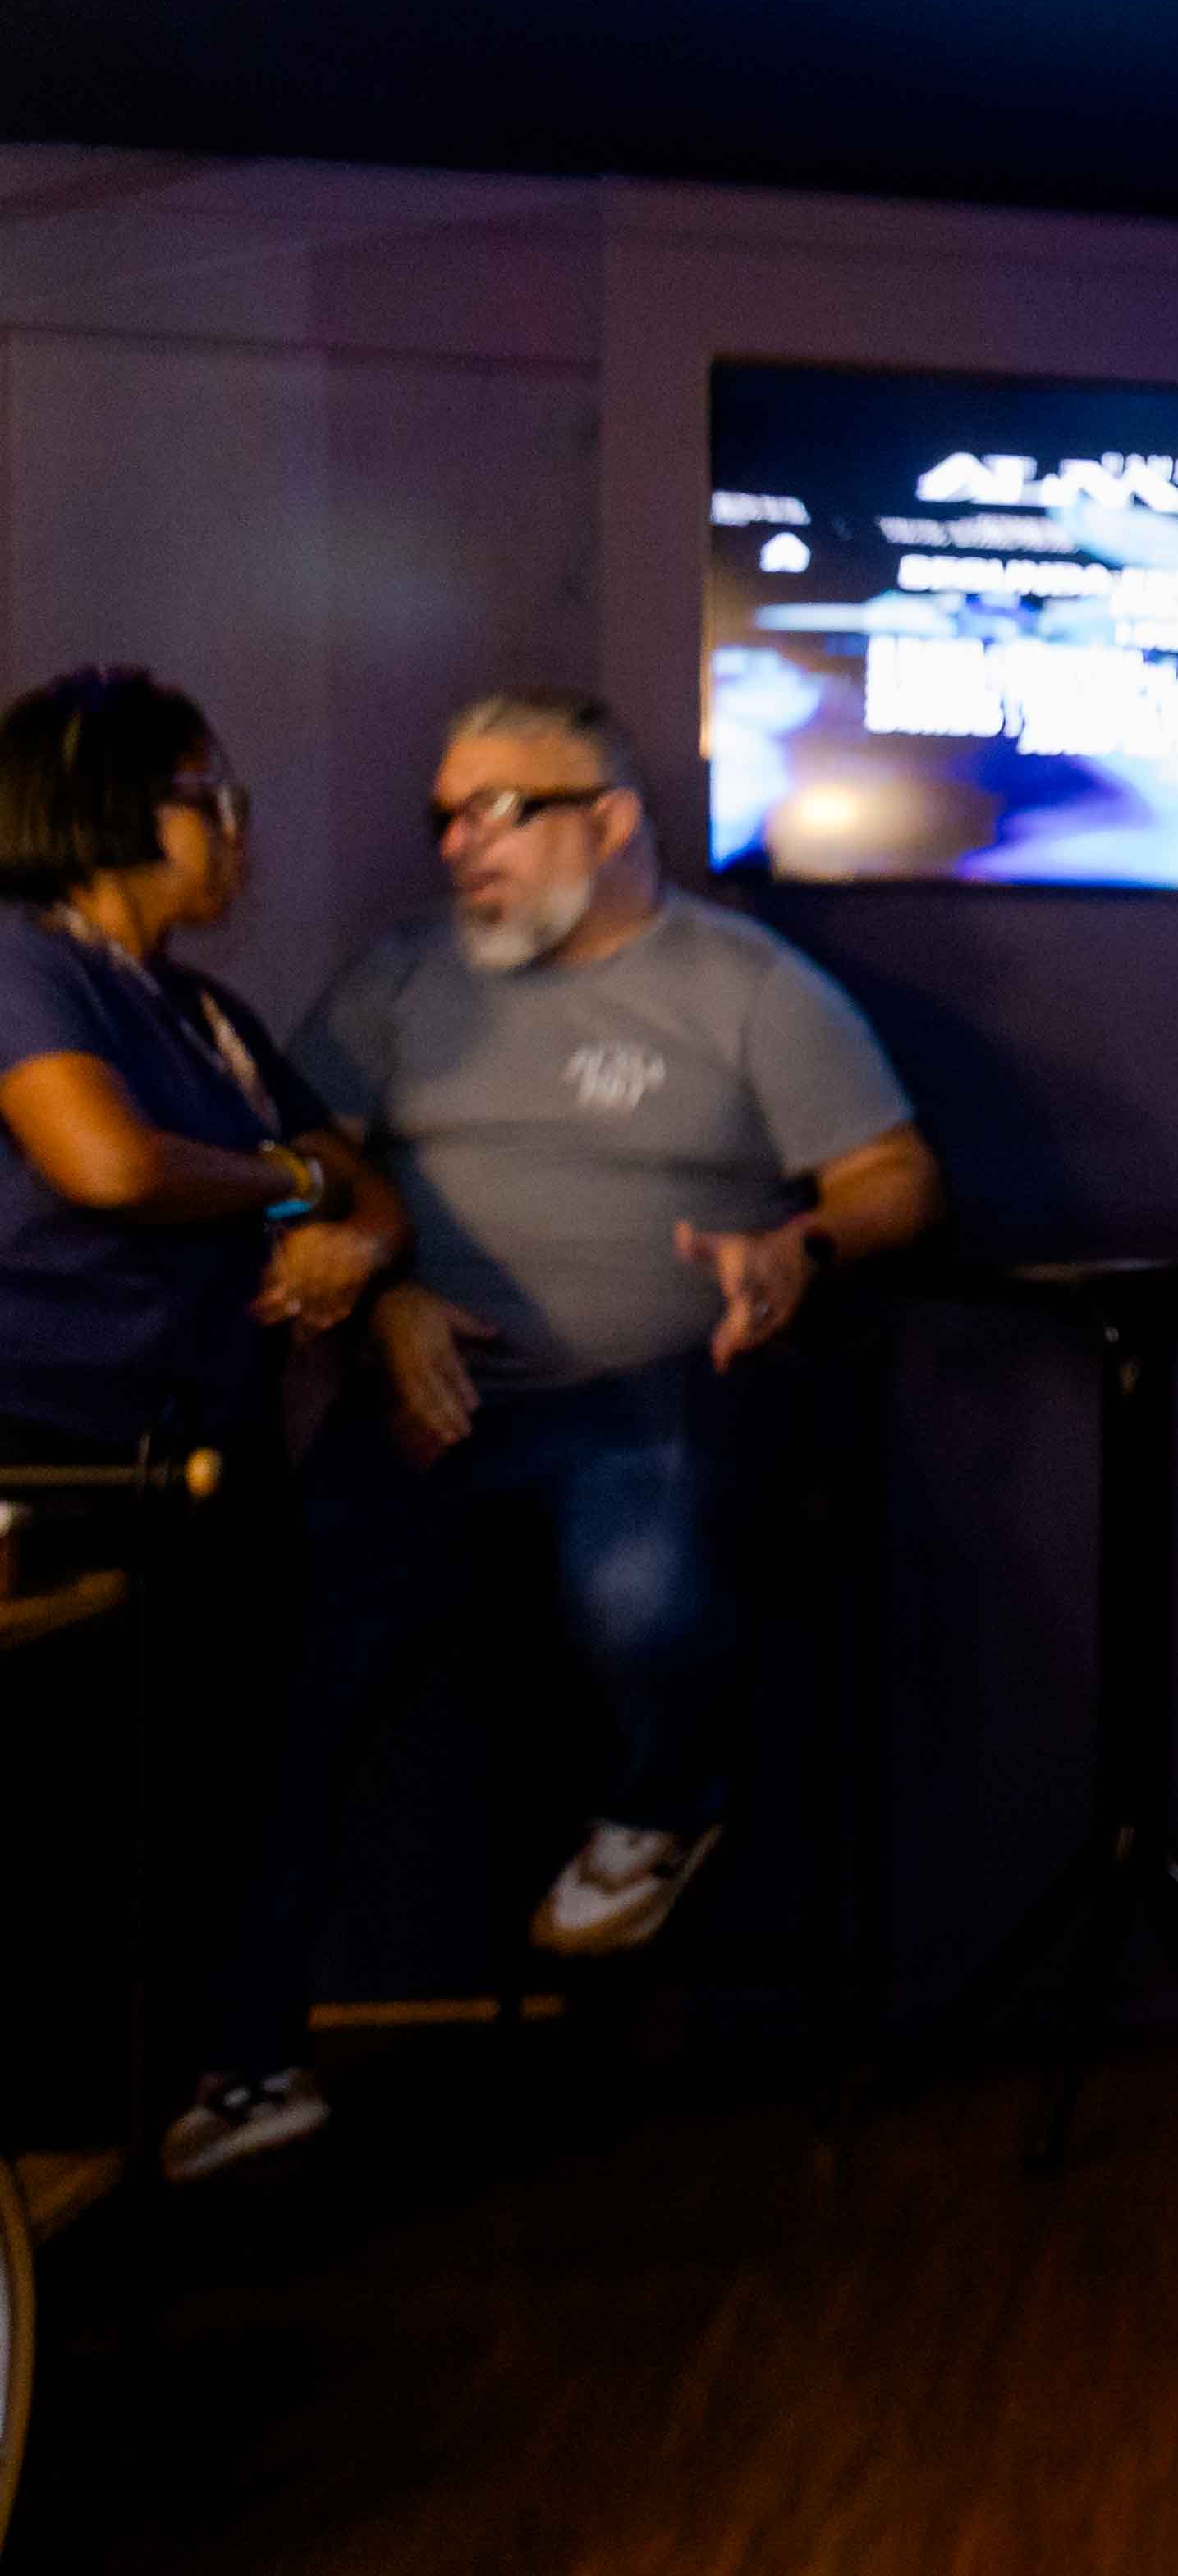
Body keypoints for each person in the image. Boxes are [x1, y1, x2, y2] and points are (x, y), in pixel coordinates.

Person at [172, 684, 941, 2163]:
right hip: (431, 1409)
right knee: (278, 1662)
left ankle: (659, 1806)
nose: (460, 844)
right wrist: (383, 1290)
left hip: (653, 1389)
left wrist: (801, 1246)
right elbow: (304, 1163)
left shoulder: (743, 982)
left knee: (639, 1556)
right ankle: (247, 2064)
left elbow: (894, 1176)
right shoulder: (403, 977)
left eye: (499, 812)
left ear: (610, 820)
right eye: (445, 818)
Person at [0, 668, 404, 2184]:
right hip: (58, 1460)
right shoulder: (22, 962)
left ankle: (198, 2106)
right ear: (114, 808)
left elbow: (366, 1186)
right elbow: (106, 1165)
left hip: (209, 1460)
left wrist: (352, 1244)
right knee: (67, 1827)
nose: (239, 829)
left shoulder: (208, 1011)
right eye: (210, 798)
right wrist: (290, 1193)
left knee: (220, 1798)